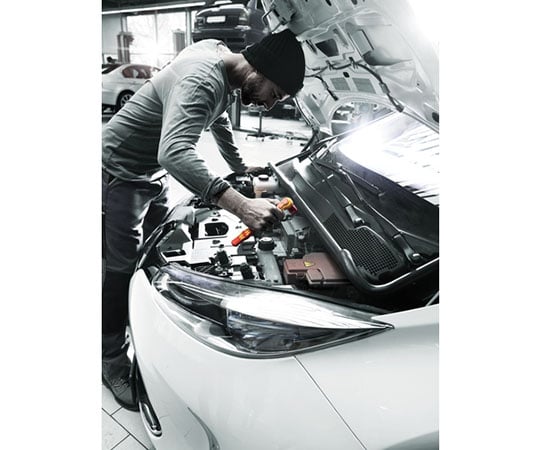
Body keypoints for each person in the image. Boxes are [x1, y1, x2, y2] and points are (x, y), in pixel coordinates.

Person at [102, 29, 305, 410]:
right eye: (274, 94)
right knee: (120, 266)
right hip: (121, 171)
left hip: (150, 176)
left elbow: (218, 118)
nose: (268, 105)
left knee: (153, 254)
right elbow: (174, 153)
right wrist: (241, 206)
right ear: (259, 70)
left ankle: (141, 319)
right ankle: (110, 357)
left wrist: (240, 170)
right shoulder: (203, 78)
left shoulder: (220, 58)